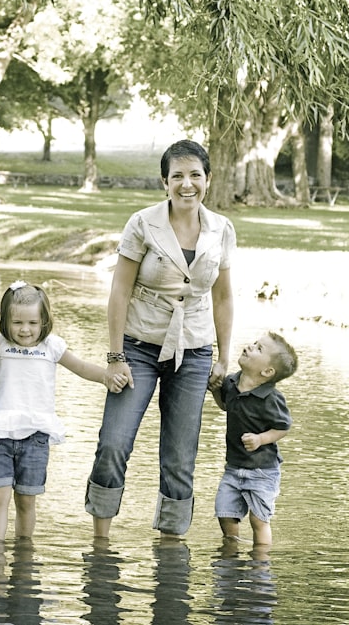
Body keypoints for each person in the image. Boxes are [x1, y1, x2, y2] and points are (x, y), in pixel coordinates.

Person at [86, 139, 235, 539]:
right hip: (137, 345)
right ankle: (101, 542)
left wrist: (223, 357)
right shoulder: (142, 223)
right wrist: (115, 356)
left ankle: (171, 549)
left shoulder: (221, 228)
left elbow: (222, 296)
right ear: (164, 182)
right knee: (114, 443)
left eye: (195, 176)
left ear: (208, 179)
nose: (187, 185)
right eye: (177, 177)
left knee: (180, 457)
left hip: (195, 348)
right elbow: (119, 290)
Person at [0, 281, 127, 542]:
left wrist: (106, 377)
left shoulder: (51, 346)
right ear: (6, 322)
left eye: (33, 323)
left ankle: (23, 553)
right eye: (18, 323)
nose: (25, 330)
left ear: (43, 321)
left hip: (35, 436)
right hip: (1, 434)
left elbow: (80, 367)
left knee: (25, 501)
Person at [209, 332, 297, 548]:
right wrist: (215, 392)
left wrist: (260, 439)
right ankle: (231, 550)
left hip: (262, 470)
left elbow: (283, 427)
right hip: (234, 466)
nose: (249, 347)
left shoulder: (271, 398)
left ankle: (260, 562)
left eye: (259, 349)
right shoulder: (231, 382)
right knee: (225, 512)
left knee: (258, 519)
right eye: (254, 344)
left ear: (267, 371)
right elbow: (226, 406)